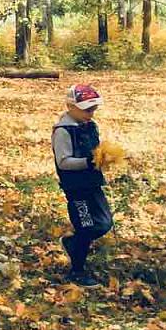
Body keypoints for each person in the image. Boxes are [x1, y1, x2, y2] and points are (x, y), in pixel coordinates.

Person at [52, 84, 113, 287]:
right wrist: (88, 162)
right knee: (86, 226)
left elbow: (95, 150)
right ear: (71, 106)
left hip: (92, 184)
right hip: (76, 188)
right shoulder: (63, 131)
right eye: (87, 109)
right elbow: (63, 161)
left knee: (104, 223)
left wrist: (104, 158)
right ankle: (77, 272)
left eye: (93, 109)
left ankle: (72, 243)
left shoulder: (90, 126)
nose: (91, 113)